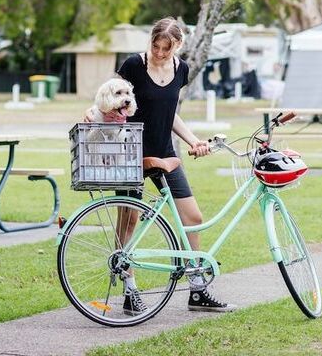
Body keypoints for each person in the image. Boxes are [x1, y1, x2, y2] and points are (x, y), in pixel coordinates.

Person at [86, 17, 235, 314]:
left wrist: (193, 141)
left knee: (192, 217)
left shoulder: (182, 69)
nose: (160, 52)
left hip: (164, 152)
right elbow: (111, 96)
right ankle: (130, 291)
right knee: (127, 221)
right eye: (156, 45)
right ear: (150, 41)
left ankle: (197, 289)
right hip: (129, 152)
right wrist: (92, 113)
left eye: (167, 48)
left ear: (178, 45)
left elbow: (169, 112)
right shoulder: (133, 66)